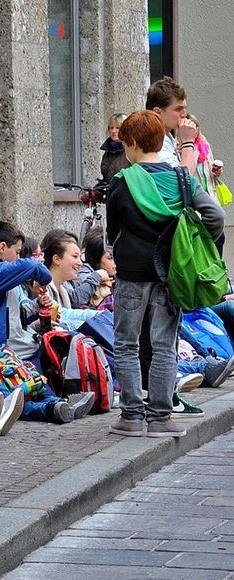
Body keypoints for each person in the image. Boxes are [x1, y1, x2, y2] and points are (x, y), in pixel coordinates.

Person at [106, 110, 225, 437]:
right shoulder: (183, 179)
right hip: (171, 273)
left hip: (131, 273)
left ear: (131, 144)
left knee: (127, 343)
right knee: (164, 344)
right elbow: (214, 213)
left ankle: (131, 416)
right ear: (160, 140)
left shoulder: (121, 182)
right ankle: (160, 417)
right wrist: (203, 241)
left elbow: (110, 234)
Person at [0, 224, 92, 424]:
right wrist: (44, 278)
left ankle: (59, 403)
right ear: (2, 248)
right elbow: (31, 266)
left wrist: (37, 305)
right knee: (20, 393)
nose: (19, 257)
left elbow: (16, 315)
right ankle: (55, 405)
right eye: (17, 252)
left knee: (33, 383)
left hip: (11, 347)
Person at [99, 113, 129, 183]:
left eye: (118, 128)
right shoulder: (108, 151)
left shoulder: (131, 150)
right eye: (111, 128)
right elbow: (106, 178)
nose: (113, 131)